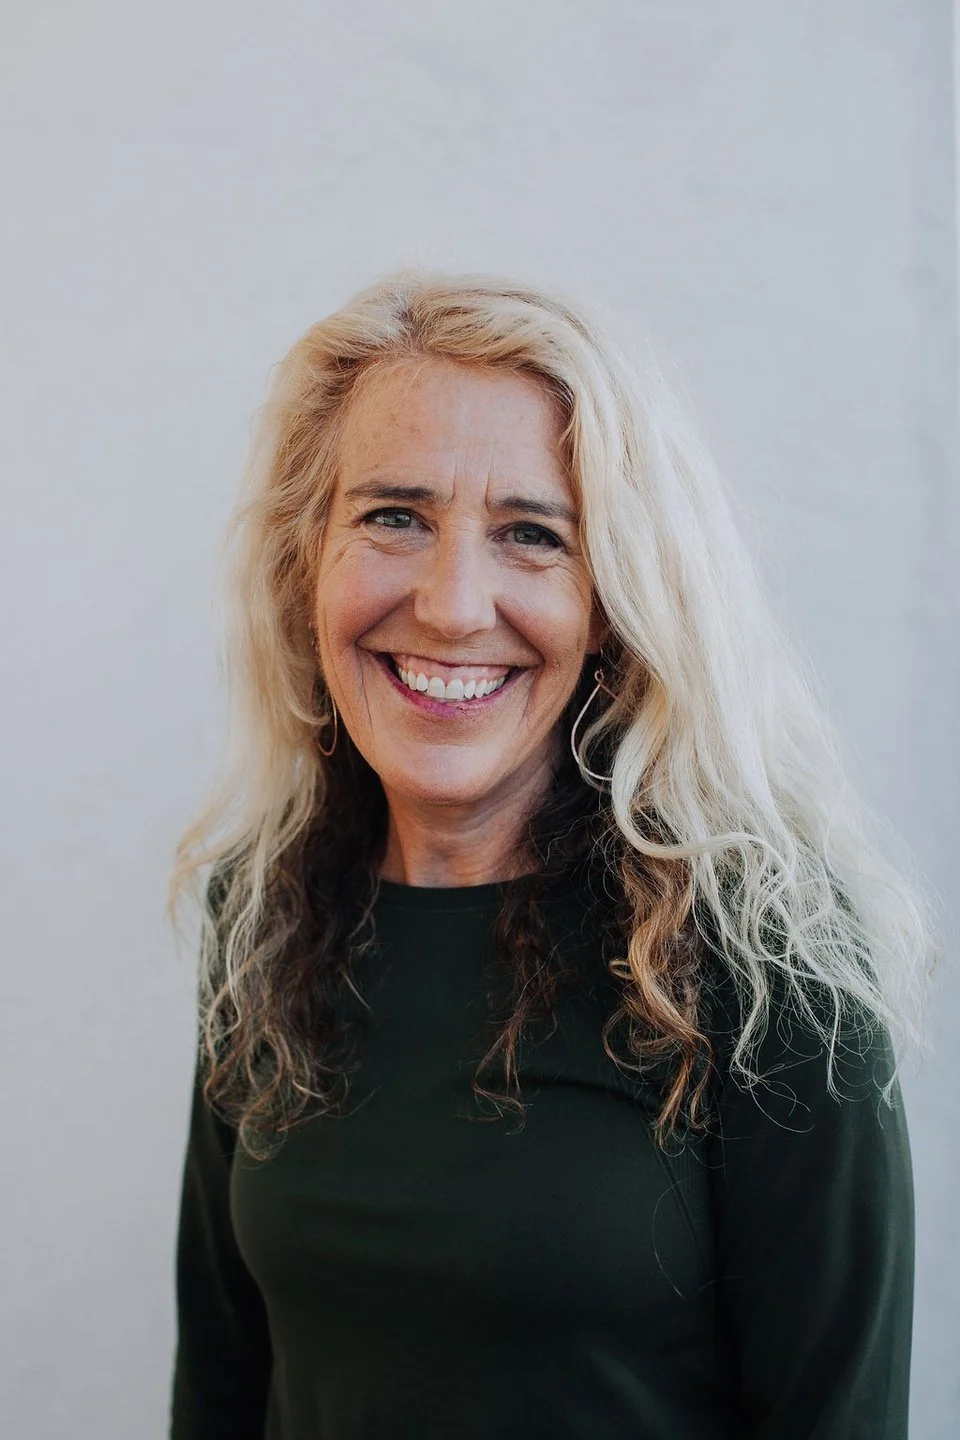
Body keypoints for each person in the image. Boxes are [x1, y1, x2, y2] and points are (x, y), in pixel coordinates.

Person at [167, 270, 933, 1440]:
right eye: (393, 515)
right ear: (304, 560)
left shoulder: (769, 964)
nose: (454, 602)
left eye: (532, 535)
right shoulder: (265, 912)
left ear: (620, 599)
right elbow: (221, 1391)